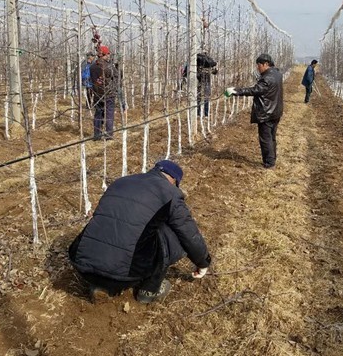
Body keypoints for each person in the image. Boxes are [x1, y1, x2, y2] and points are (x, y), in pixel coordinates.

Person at [68, 160, 212, 304]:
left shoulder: (121, 182)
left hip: (81, 263)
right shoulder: (170, 192)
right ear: (173, 180)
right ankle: (149, 289)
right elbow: (188, 233)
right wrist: (203, 262)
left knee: (112, 221)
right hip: (125, 274)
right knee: (170, 232)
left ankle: (101, 285)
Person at [224, 53, 284, 169]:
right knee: (271, 137)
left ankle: (269, 163)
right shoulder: (277, 74)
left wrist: (235, 91)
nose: (257, 67)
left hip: (266, 113)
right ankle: (272, 159)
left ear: (265, 64)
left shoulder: (267, 78)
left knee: (265, 139)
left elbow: (254, 90)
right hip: (276, 111)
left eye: (259, 65)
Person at [90, 45, 119, 140]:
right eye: (108, 54)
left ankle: (97, 135)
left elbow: (94, 80)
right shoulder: (109, 66)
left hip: (97, 94)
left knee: (98, 114)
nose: (109, 56)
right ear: (104, 55)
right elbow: (117, 77)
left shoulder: (92, 67)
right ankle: (109, 135)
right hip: (109, 93)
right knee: (109, 114)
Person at [196, 52, 218, 117]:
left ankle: (198, 113)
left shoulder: (197, 62)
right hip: (207, 81)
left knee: (199, 97)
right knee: (206, 97)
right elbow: (215, 72)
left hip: (200, 81)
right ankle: (206, 114)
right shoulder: (209, 63)